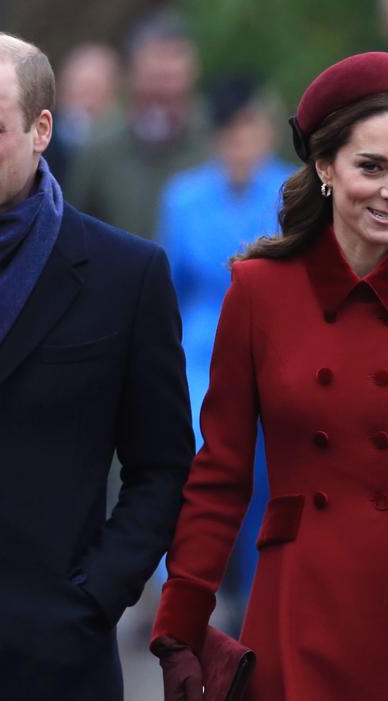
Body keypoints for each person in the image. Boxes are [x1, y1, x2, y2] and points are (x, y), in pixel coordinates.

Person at [149, 52, 388, 701]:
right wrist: (179, 624)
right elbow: (219, 477)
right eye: (371, 166)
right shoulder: (257, 292)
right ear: (325, 167)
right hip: (297, 603)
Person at [0, 33, 192, 701]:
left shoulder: (124, 277)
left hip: (49, 669)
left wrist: (96, 596)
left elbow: (162, 467)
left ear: (41, 130)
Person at [155, 73, 296, 628]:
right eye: (232, 131)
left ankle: (265, 602)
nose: (242, 141)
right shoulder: (185, 196)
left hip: (274, 352)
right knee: (197, 469)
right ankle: (188, 600)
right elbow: (169, 281)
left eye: (252, 128)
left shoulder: (292, 191)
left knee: (271, 472)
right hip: (201, 356)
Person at [68, 10, 208, 239]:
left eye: (173, 82)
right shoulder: (99, 149)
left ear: (193, 73)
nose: (164, 91)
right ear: (131, 76)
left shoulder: (217, 142)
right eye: (155, 83)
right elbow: (75, 231)